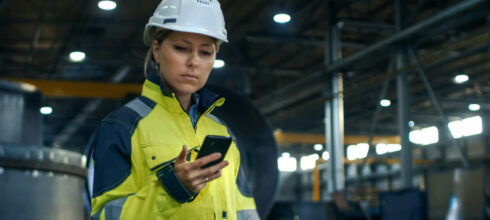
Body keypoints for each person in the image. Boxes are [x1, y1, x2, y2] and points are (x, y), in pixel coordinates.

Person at [89, 0, 259, 219]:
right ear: (157, 51)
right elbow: (105, 215)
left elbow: (245, 211)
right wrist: (171, 189)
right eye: (181, 48)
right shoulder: (122, 127)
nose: (194, 62)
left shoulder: (222, 132)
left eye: (206, 52)